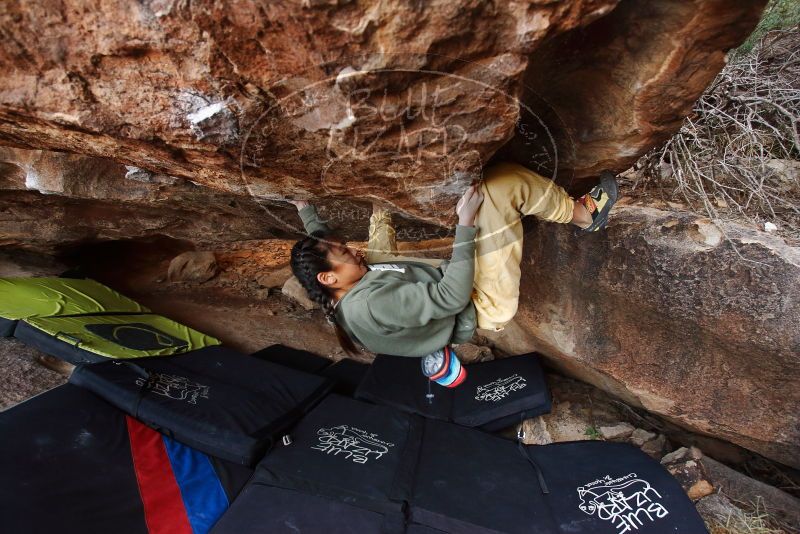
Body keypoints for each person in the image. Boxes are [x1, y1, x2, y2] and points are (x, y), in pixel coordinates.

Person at [288, 162, 618, 372]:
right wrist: (466, 223)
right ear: (328, 277)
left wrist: (305, 208)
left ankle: (380, 211)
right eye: (345, 253)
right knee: (500, 187)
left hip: (430, 294)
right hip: (478, 301)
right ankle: (585, 216)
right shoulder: (370, 305)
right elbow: (451, 298)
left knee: (375, 257)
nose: (353, 251)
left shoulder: (339, 289)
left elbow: (322, 248)